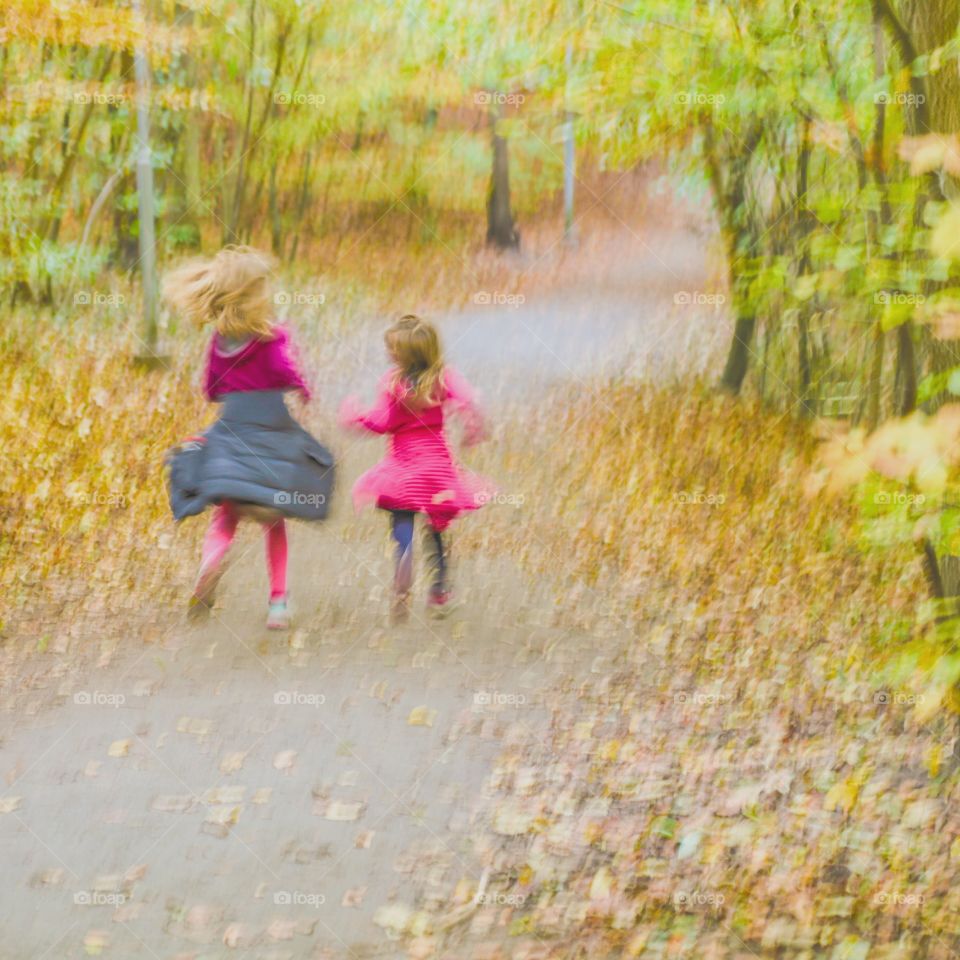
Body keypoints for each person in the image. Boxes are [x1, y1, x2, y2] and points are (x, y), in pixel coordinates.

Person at [163, 246, 334, 630]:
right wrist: (303, 387)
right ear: (250, 294)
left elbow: (211, 389)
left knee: (226, 515)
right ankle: (278, 604)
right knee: (274, 521)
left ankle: (210, 563)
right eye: (262, 288)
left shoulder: (219, 341)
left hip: (231, 432)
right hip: (271, 434)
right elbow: (285, 373)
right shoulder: (272, 339)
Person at [340, 314, 492, 621]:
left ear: (403, 355)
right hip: (437, 470)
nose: (388, 354)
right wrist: (473, 432)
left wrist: (353, 415)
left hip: (403, 470)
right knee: (436, 531)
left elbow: (382, 423)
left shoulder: (392, 382)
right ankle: (439, 592)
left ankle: (403, 573)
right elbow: (469, 402)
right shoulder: (445, 377)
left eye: (392, 350)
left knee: (402, 522)